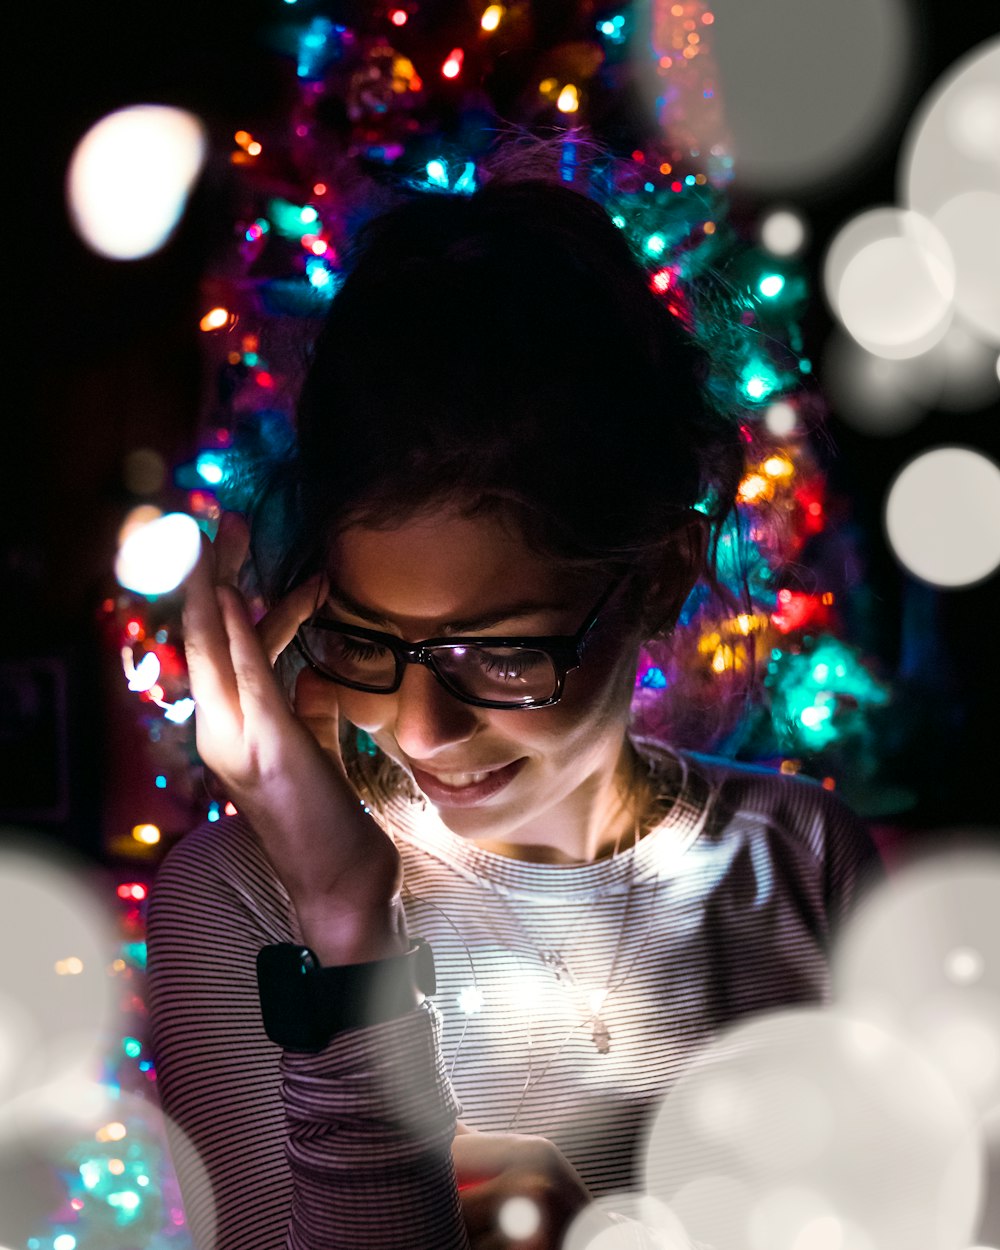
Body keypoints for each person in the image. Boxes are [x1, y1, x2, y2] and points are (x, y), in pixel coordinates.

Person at [145, 143, 883, 1250]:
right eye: (370, 641)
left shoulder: (802, 859)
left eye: (500, 655)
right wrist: (346, 924)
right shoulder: (243, 898)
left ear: (662, 574)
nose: (423, 728)